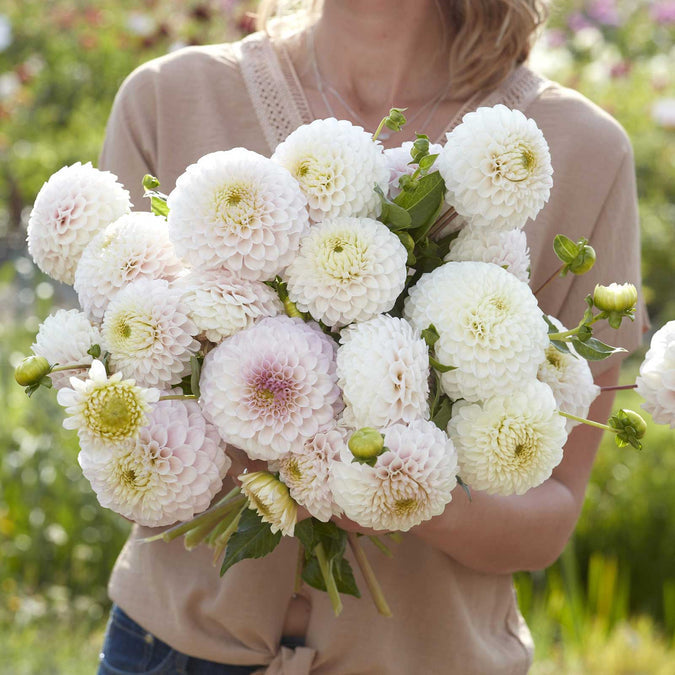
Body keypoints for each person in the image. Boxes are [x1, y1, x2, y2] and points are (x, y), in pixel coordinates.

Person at [96, 1, 646, 673]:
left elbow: (549, 517)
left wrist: (400, 490)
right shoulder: (169, 98)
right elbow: (108, 428)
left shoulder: (578, 151)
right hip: (169, 652)